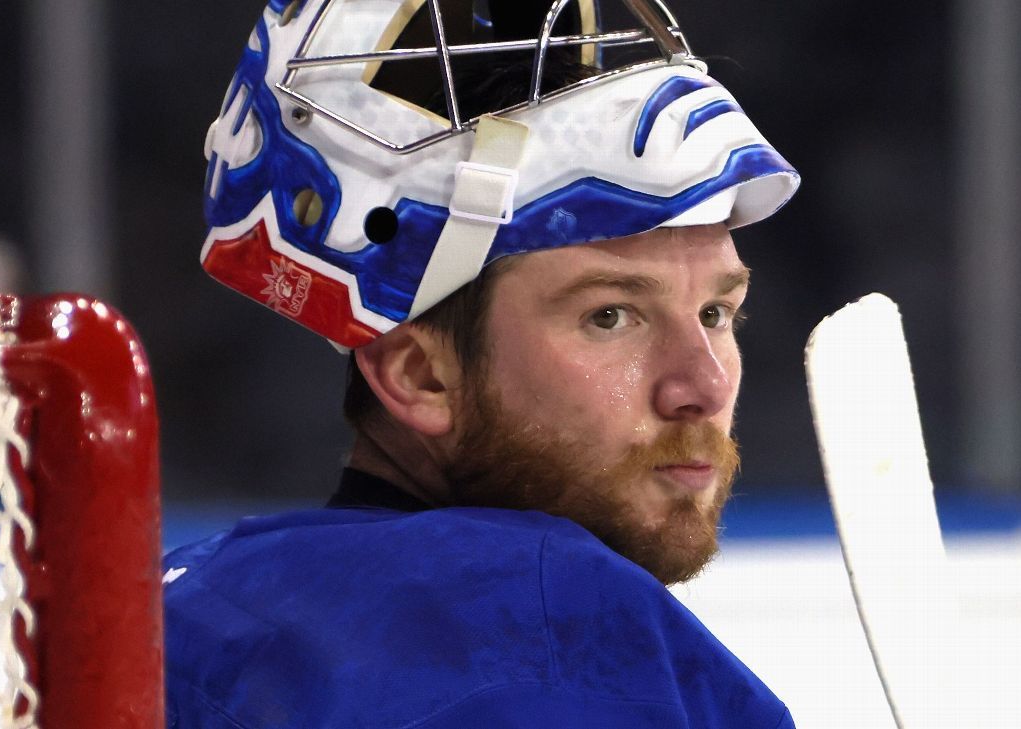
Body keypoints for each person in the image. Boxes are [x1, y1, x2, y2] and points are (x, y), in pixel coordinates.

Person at [164, 1, 800, 726]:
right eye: (610, 316)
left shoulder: (185, 603)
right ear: (419, 375)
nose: (704, 385)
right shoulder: (545, 615)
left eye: (716, 314)